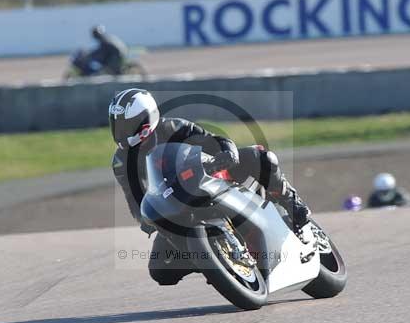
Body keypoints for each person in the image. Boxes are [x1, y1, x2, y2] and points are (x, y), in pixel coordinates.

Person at [109, 88, 311, 285]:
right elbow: (134, 198)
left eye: (126, 126)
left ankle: (292, 202)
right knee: (160, 270)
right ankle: (212, 260)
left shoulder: (173, 127)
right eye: (116, 125)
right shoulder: (120, 162)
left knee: (262, 158)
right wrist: (146, 219)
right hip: (174, 206)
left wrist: (227, 153)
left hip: (208, 178)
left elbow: (215, 140)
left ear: (146, 120)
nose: (120, 132)